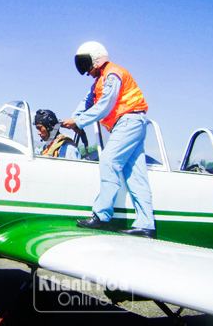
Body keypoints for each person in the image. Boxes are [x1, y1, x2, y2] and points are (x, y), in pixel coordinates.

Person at [60, 41, 156, 238]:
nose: (87, 71)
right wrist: (74, 120)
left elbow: (106, 104)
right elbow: (85, 102)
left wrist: (78, 121)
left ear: (96, 59)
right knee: (136, 175)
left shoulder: (113, 74)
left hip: (129, 120)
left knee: (108, 161)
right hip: (133, 123)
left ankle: (102, 216)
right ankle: (146, 224)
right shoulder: (98, 81)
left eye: (87, 65)